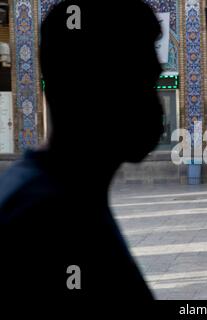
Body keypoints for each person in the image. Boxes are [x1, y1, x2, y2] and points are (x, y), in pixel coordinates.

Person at [0, 0, 163, 305]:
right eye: (143, 81)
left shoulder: (61, 200)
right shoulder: (42, 221)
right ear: (92, 84)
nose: (155, 105)